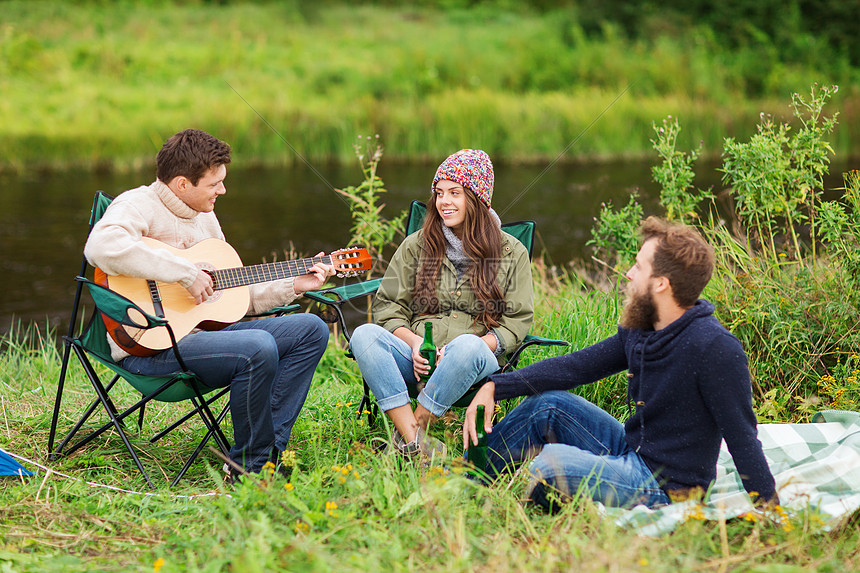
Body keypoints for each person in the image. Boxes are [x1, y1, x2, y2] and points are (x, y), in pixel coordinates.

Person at [463, 216, 779, 510]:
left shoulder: (715, 349)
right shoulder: (644, 326)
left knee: (550, 465)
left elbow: (742, 438)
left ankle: (545, 505)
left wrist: (770, 511)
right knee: (547, 405)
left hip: (669, 488)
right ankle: (465, 483)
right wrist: (495, 385)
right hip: (632, 450)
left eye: (638, 267)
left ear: (661, 283)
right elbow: (576, 367)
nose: (627, 273)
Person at [84, 128, 334, 476]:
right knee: (256, 345)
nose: (223, 190)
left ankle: (270, 451)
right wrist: (184, 273)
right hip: (151, 348)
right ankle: (250, 468)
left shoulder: (205, 216)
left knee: (311, 329)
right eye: (214, 183)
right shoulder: (137, 204)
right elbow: (99, 247)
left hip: (202, 338)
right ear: (183, 184)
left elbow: (231, 298)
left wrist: (294, 285)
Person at [350, 149, 534, 456]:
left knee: (467, 345)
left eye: (454, 193)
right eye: (439, 193)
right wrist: (412, 342)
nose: (444, 202)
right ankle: (416, 445)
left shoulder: (511, 251)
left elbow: (517, 322)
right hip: (417, 361)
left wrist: (474, 345)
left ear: (477, 198)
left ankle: (413, 430)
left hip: (473, 362)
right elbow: (387, 306)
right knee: (364, 336)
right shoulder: (417, 244)